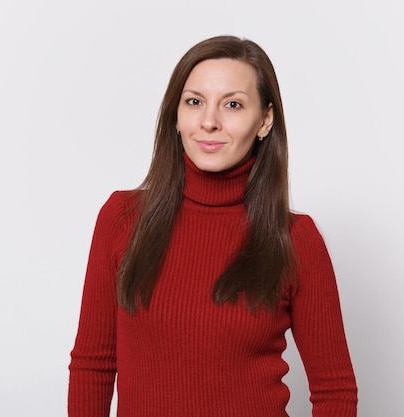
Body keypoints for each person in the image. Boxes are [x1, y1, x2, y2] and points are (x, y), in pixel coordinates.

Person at [68, 35, 358, 417]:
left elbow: (334, 390)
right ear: (176, 114)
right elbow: (94, 364)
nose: (208, 121)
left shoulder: (294, 240)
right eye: (194, 102)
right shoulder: (122, 218)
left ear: (265, 120)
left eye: (233, 105)